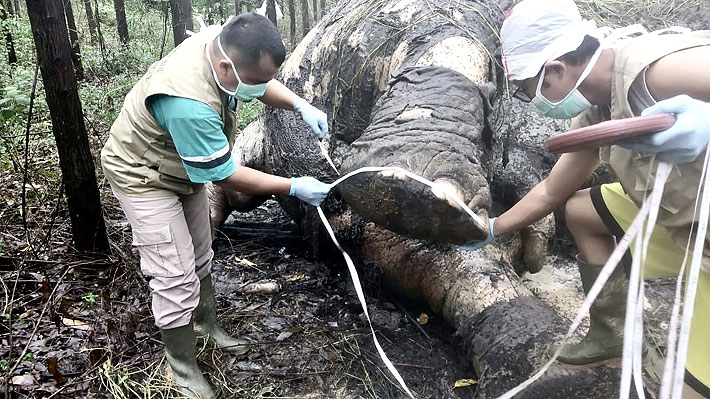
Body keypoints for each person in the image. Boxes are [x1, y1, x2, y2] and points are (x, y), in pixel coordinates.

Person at [462, 0, 710, 396]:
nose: (534, 103)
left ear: (555, 71)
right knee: (580, 209)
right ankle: (612, 333)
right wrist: (493, 228)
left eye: (529, 91)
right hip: (681, 217)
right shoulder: (598, 109)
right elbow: (551, 191)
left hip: (705, 238)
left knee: (686, 390)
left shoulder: (652, 74)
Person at [101, 13, 331, 398]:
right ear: (226, 66)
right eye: (256, 81)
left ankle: (206, 326)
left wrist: (298, 104)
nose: (260, 89)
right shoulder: (188, 103)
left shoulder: (221, 43)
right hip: (142, 174)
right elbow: (224, 174)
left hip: (181, 165)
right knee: (173, 275)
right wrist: (294, 187)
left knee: (200, 251)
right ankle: (182, 370)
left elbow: (257, 82)